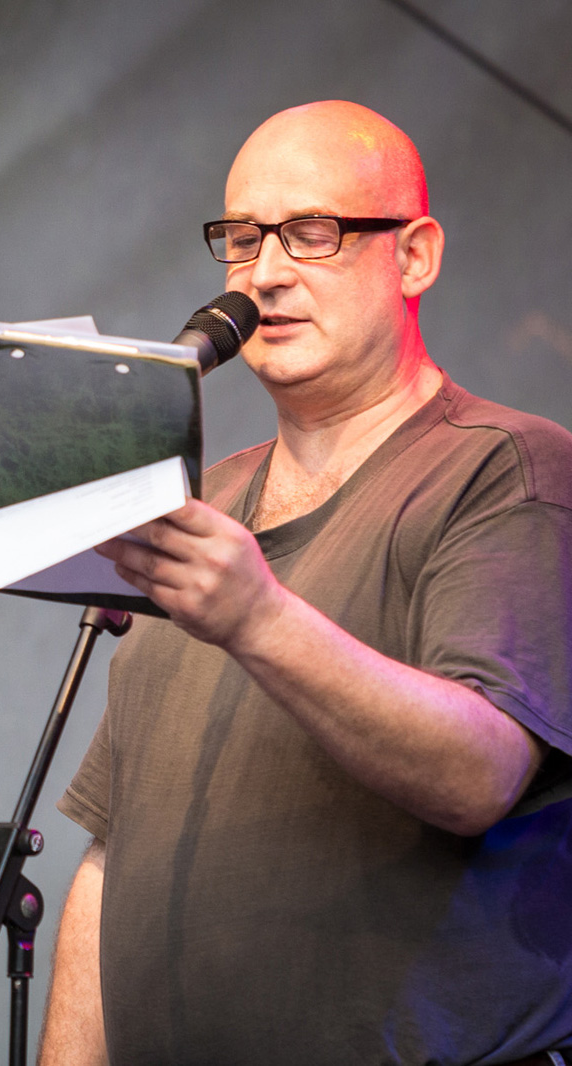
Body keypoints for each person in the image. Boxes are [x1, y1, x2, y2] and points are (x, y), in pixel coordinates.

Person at [39, 101, 572, 1064]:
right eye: (244, 240)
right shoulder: (203, 500)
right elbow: (114, 849)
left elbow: (481, 773)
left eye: (314, 232)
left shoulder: (507, 467)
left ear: (414, 256)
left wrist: (258, 618)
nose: (266, 274)